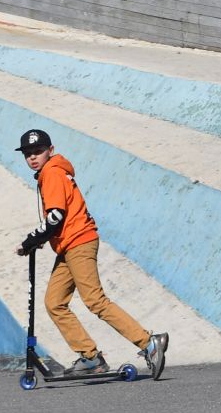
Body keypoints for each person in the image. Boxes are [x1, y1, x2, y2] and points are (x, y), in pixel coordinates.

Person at [13, 127, 168, 378]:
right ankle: (90, 357)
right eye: (28, 153)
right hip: (68, 245)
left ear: (50, 151)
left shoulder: (52, 172)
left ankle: (149, 343)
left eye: (38, 151)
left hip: (78, 242)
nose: (32, 157)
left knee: (95, 301)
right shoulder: (51, 173)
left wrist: (32, 239)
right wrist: (41, 239)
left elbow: (55, 216)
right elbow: (58, 220)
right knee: (55, 303)